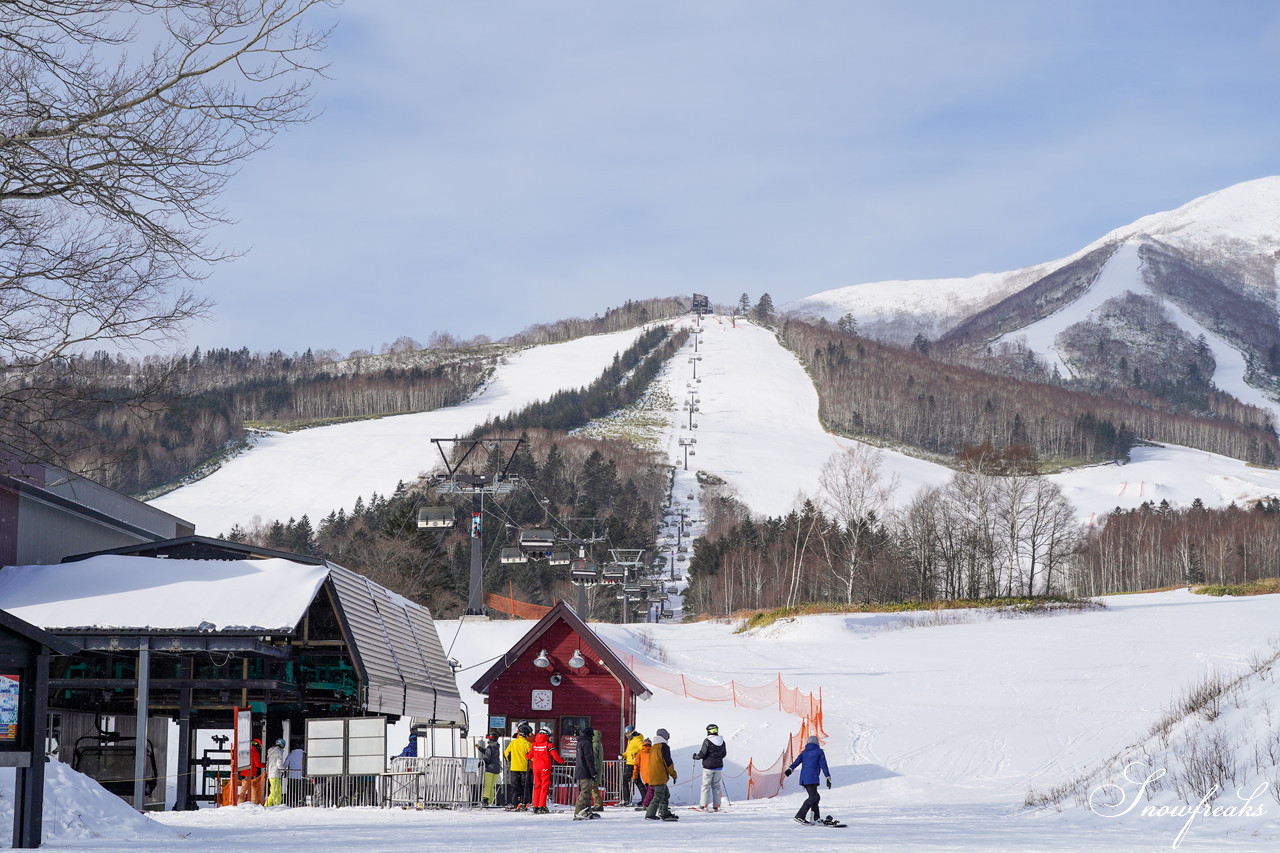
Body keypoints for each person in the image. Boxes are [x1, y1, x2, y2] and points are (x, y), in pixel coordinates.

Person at [785, 735, 832, 825]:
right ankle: (800, 816)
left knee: (816, 797)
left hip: (804, 779)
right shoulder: (819, 752)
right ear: (817, 743)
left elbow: (797, 761)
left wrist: (790, 769)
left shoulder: (804, 752)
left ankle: (815, 818)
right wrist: (828, 777)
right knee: (813, 797)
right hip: (812, 777)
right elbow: (823, 765)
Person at [643, 728, 678, 821]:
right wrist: (673, 774)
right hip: (659, 776)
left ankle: (664, 812)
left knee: (665, 794)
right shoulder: (664, 747)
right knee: (658, 796)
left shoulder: (654, 747)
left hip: (653, 775)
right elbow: (668, 762)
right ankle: (650, 814)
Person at [528, 727, 564, 813]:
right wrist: (562, 761)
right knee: (544, 787)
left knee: (537, 786)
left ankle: (535, 806)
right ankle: (542, 805)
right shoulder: (549, 745)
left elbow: (529, 756)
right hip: (545, 768)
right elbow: (555, 756)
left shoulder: (534, 744)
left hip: (535, 768)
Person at [692, 722, 727, 811]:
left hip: (708, 767)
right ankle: (717, 805)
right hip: (719, 766)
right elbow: (724, 754)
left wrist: (696, 757)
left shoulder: (707, 740)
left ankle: (703, 805)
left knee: (705, 786)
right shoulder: (722, 741)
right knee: (716, 785)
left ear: (708, 731)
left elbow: (702, 754)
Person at [572, 725, 602, 820]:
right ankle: (578, 812)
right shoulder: (587, 743)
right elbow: (589, 759)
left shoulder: (580, 742)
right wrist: (593, 772)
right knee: (585, 792)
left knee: (587, 792)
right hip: (586, 771)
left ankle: (586, 811)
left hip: (580, 770)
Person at [503, 724, 533, 811]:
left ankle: (514, 803)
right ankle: (525, 802)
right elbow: (532, 757)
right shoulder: (528, 744)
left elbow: (506, 753)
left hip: (514, 768)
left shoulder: (513, 743)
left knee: (514, 787)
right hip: (524, 768)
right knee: (525, 786)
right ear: (526, 734)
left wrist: (511, 760)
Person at [475, 732, 502, 807]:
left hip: (490, 768)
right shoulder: (497, 747)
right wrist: (480, 748)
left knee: (487, 785)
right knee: (492, 786)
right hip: (496, 769)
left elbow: (487, 757)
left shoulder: (490, 747)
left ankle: (485, 800)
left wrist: (480, 764)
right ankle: (491, 801)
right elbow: (488, 753)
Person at [237, 738, 265, 804]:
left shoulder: (245, 750)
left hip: (243, 773)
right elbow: (257, 764)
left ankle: (239, 803)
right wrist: (265, 765)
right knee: (254, 790)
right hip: (251, 774)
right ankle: (253, 804)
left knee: (243, 790)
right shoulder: (254, 751)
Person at [621, 726, 644, 806]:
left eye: (627, 733)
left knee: (625, 781)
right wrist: (623, 755)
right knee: (637, 781)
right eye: (625, 734)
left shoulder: (637, 740)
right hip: (629, 762)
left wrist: (636, 755)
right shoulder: (630, 740)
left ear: (632, 732)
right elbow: (629, 752)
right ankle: (645, 798)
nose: (626, 735)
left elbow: (643, 749)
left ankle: (626, 800)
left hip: (632, 764)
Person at [265, 738, 287, 807]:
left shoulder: (270, 751)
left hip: (271, 773)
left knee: (273, 790)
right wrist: (284, 770)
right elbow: (279, 764)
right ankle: (277, 805)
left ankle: (268, 805)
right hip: (275, 774)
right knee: (277, 791)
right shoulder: (278, 752)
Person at [633, 738, 653, 811]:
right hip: (653, 774)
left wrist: (634, 776)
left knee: (649, 789)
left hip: (644, 775)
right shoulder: (653, 752)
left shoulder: (640, 753)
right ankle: (647, 804)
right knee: (653, 790)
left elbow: (636, 766)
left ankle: (648, 804)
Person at [591, 726, 605, 811]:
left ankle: (598, 804)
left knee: (593, 788)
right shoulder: (599, 744)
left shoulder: (594, 745)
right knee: (594, 788)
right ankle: (598, 804)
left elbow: (594, 759)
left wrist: (593, 771)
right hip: (599, 769)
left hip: (595, 770)